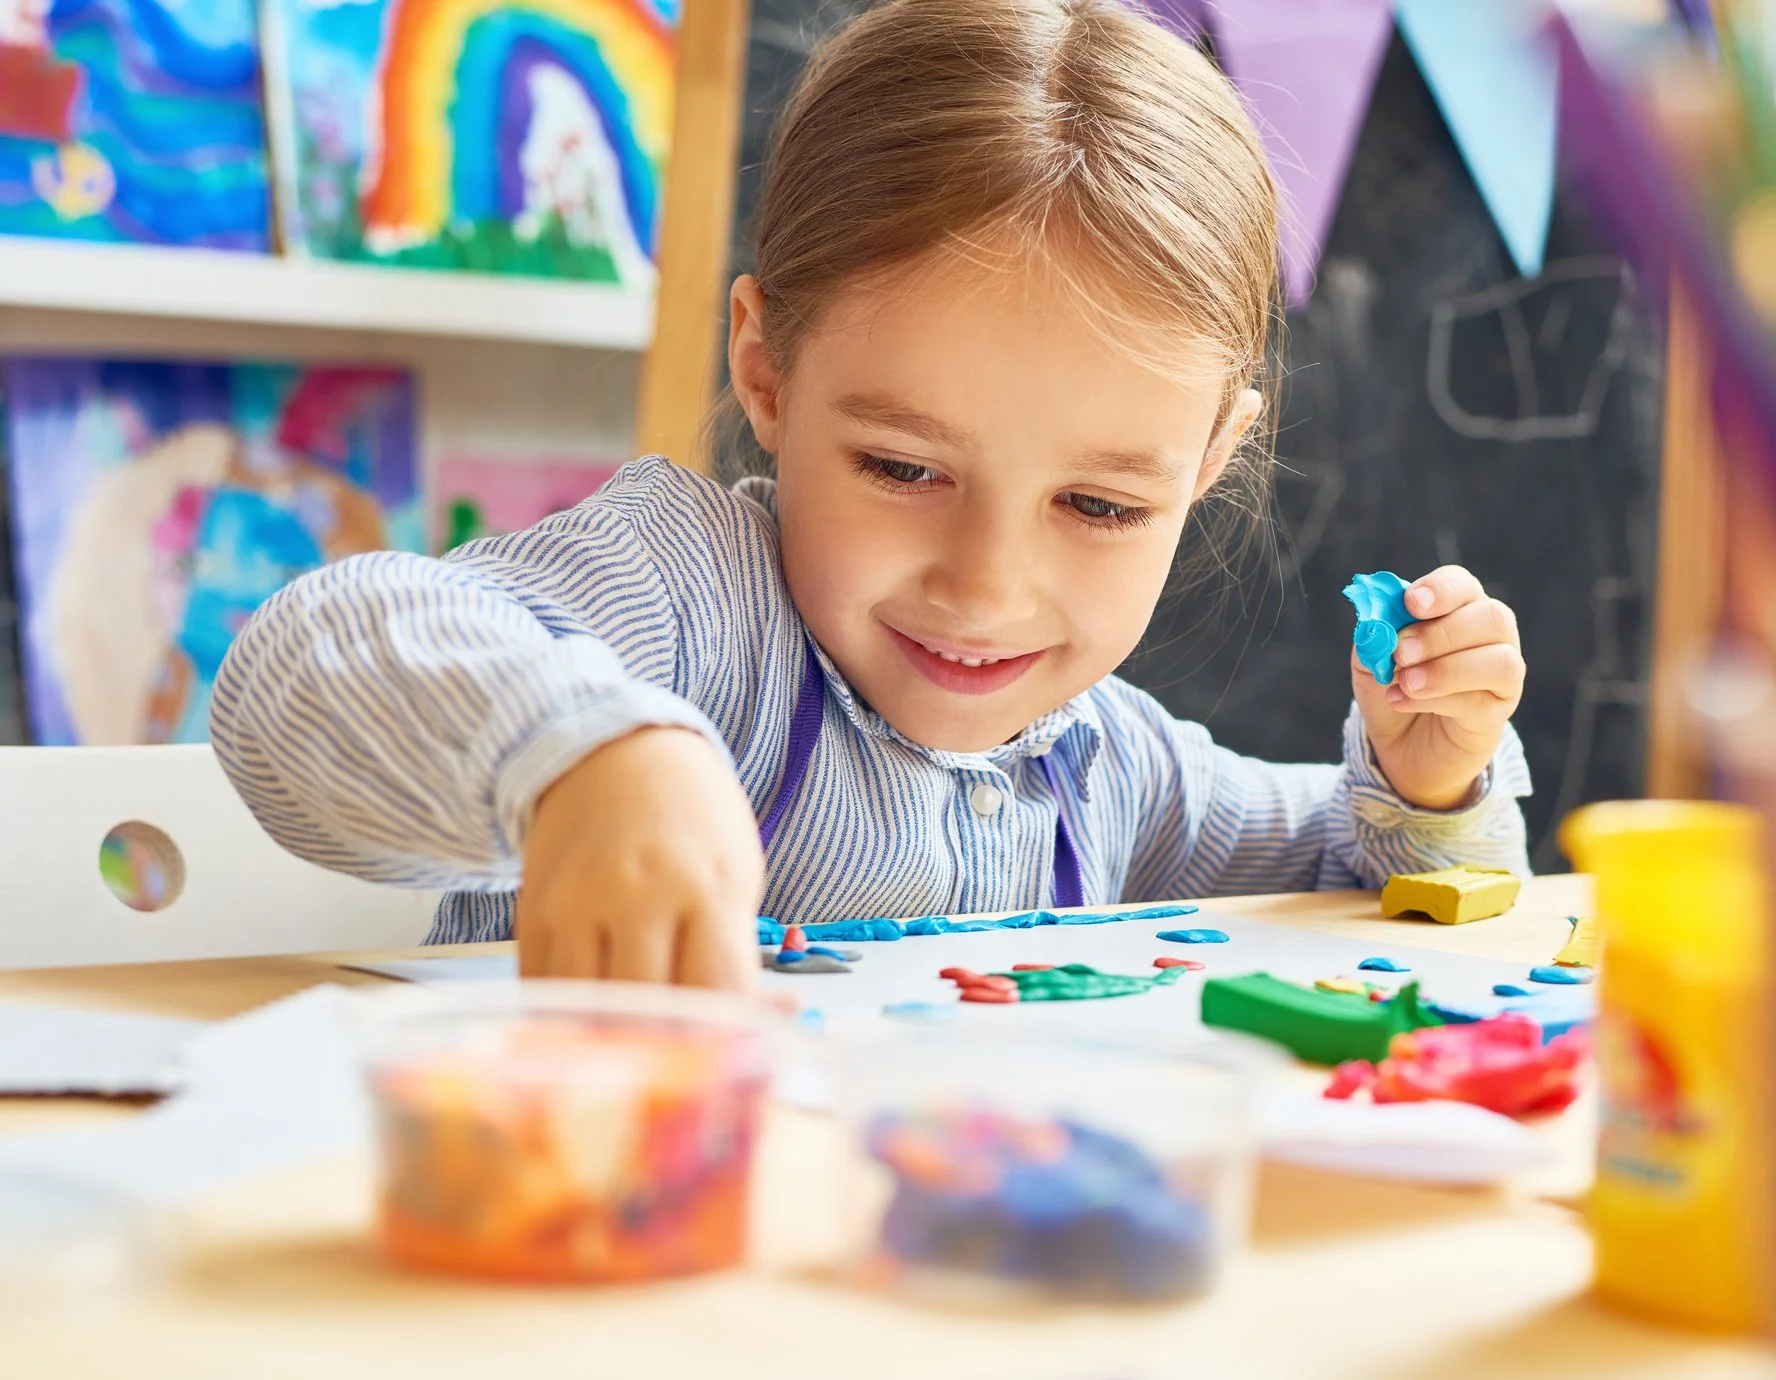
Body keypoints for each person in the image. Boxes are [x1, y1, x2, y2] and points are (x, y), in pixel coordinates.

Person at [210, 0, 1531, 991]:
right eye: (904, 469)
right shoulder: (685, 598)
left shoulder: (1104, 765)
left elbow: (1357, 894)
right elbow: (304, 666)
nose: (984, 586)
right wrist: (580, 760)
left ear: (1207, 459)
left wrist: (1425, 788)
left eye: (1099, 508)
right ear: (765, 370)